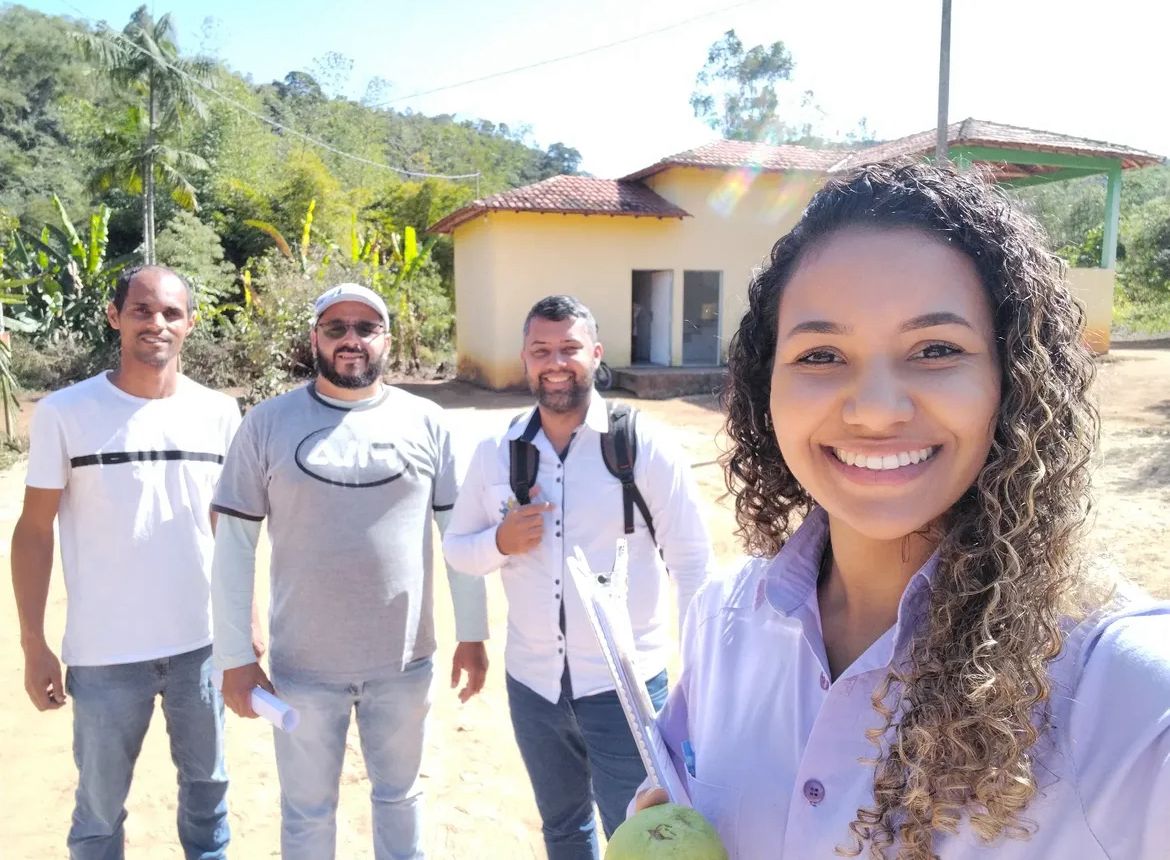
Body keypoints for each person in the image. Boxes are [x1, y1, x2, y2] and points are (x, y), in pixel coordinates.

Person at [633, 159, 1170, 859]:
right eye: (821, 354)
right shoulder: (725, 621)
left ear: (1011, 380)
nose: (876, 410)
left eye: (936, 349)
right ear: (767, 388)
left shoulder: (1126, 696)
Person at [210, 282, 489, 860]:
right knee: (308, 813)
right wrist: (235, 655)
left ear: (387, 339)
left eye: (366, 327)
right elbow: (234, 544)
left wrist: (473, 633)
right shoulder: (266, 423)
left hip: (405, 663)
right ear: (314, 338)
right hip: (303, 671)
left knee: (400, 798)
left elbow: (456, 534)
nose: (351, 340)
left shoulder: (428, 422)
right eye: (335, 328)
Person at [443, 295, 711, 860]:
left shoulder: (640, 445)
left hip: (627, 690)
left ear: (595, 353)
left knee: (642, 836)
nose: (555, 361)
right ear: (524, 358)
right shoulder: (497, 452)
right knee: (563, 829)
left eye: (569, 348)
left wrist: (698, 675)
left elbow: (691, 563)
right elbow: (457, 550)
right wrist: (499, 541)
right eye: (542, 350)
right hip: (534, 687)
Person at [11, 264, 241, 859]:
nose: (156, 323)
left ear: (191, 323)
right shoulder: (66, 412)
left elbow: (230, 534)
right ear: (115, 317)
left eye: (170, 312)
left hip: (202, 649)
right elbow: (34, 532)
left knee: (209, 800)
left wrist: (247, 628)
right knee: (98, 814)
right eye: (141, 310)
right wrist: (34, 641)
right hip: (105, 657)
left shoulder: (219, 413)